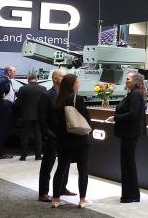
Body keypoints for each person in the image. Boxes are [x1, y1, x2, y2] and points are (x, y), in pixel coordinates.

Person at [50, 74, 92, 209]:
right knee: (83, 169)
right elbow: (87, 119)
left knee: (61, 168)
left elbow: (55, 123)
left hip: (63, 140)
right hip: (79, 139)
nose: (78, 85)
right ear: (72, 85)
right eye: (77, 82)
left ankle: (56, 199)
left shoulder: (58, 100)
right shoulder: (77, 99)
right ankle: (82, 200)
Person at [109, 71, 147, 204]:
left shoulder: (135, 94)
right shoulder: (132, 94)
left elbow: (133, 114)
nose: (126, 81)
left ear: (136, 81)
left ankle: (132, 195)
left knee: (128, 164)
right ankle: (129, 194)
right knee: (126, 164)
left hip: (130, 134)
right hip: (127, 134)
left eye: (128, 79)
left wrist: (116, 117)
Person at [38, 69, 74, 202]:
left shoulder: (69, 94)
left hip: (66, 135)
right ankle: (43, 192)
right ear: (55, 79)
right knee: (48, 164)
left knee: (65, 164)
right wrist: (49, 134)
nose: (65, 79)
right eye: (62, 76)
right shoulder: (46, 95)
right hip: (53, 136)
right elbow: (42, 118)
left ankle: (62, 188)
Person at [15, 74, 47, 161]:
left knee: (25, 136)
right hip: (38, 116)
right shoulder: (43, 88)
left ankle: (23, 156)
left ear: (28, 79)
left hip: (26, 116)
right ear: (37, 79)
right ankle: (38, 156)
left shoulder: (23, 88)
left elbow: (18, 103)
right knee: (38, 136)